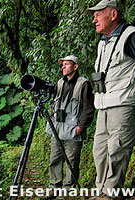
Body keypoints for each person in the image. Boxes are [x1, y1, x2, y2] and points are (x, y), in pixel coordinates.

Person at [86, 0, 135, 198]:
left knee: (117, 150)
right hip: (104, 103)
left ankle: (111, 193)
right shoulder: (103, 42)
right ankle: (101, 191)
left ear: (113, 15)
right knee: (99, 150)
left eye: (98, 14)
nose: (94, 20)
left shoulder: (134, 37)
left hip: (125, 103)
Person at [45, 55, 94, 197]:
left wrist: (81, 127)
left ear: (75, 66)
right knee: (54, 158)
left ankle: (67, 190)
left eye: (67, 64)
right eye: (63, 64)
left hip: (73, 129)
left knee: (71, 162)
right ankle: (54, 187)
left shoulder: (83, 84)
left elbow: (88, 108)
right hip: (58, 127)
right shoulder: (60, 83)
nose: (63, 67)